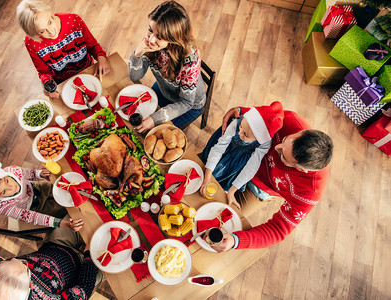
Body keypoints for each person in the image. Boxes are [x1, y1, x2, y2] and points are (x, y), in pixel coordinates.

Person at [207, 106, 333, 251]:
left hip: (257, 189)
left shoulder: (310, 191)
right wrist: (243, 111)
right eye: (284, 139)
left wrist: (236, 241)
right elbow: (264, 117)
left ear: (301, 169)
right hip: (242, 157)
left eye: (282, 156)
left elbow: (278, 230)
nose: (276, 148)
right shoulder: (291, 119)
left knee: (221, 217)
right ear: (301, 132)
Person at [0, 196, 100, 299]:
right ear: (30, 285)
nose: (16, 259)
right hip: (82, 272)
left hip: (57, 245)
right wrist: (90, 256)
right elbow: (83, 289)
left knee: (85, 208)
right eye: (24, 266)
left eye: (9, 260)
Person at [128, 0, 206, 132]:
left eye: (159, 37)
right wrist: (137, 53)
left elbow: (186, 103)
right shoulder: (151, 40)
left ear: (173, 38)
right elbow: (134, 76)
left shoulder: (190, 60)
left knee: (153, 132)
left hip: (188, 105)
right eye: (149, 30)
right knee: (135, 116)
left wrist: (154, 119)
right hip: (164, 89)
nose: (151, 39)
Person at [199, 101, 284, 210]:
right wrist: (207, 178)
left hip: (237, 163)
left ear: (259, 139)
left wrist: (232, 191)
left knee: (223, 185)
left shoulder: (265, 143)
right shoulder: (238, 123)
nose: (240, 133)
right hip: (224, 151)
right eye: (241, 128)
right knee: (204, 168)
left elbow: (251, 168)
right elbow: (219, 148)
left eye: (245, 135)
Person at [16, 0, 110, 98]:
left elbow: (93, 46)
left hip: (89, 71)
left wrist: (101, 56)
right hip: (63, 83)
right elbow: (44, 72)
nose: (51, 32)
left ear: (50, 13)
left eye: (50, 22)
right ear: (33, 33)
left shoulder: (73, 20)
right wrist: (47, 84)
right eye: (42, 31)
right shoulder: (31, 43)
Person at [0, 162, 83, 230]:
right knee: (71, 209)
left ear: (4, 174)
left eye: (7, 181)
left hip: (37, 187)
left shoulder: (12, 170)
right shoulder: (1, 207)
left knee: (66, 191)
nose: (11, 187)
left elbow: (30, 174)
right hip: (37, 208)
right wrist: (64, 224)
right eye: (4, 192)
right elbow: (32, 217)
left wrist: (40, 174)